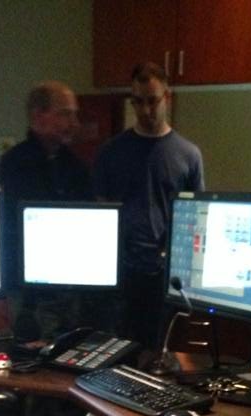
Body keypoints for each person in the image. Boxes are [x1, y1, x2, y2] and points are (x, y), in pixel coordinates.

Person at [93, 62, 204, 349]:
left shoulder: (189, 155)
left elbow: (195, 218)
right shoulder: (110, 152)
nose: (145, 110)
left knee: (160, 353)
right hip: (121, 273)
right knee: (117, 351)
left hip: (165, 275)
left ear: (167, 98)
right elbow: (101, 214)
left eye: (152, 101)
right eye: (138, 102)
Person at [0, 81, 93, 344]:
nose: (74, 123)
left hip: (71, 285)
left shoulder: (76, 166)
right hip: (28, 290)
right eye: (65, 114)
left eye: (74, 115)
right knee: (29, 354)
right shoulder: (14, 163)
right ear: (38, 116)